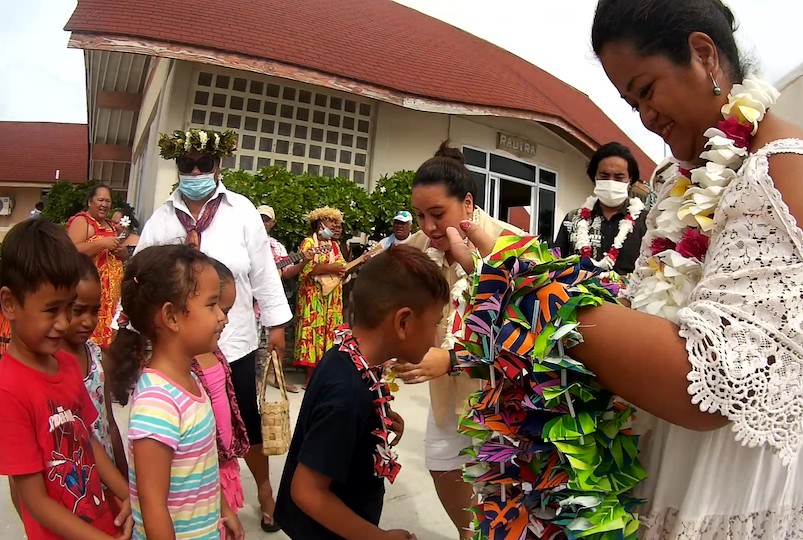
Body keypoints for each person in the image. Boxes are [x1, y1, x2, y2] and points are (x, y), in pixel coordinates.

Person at [402, 1, 803, 538]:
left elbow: (715, 385)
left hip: (728, 483)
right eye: (629, 101)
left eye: (646, 89)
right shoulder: (678, 181)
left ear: (703, 55)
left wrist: (527, 290)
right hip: (662, 457)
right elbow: (638, 310)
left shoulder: (778, 172)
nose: (644, 116)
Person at [136, 128, 293, 532]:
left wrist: (276, 323)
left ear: (218, 165)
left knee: (245, 424)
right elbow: (138, 278)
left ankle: (263, 489)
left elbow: (263, 271)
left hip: (234, 338)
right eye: (186, 164)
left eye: (203, 164)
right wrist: (134, 333)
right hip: (179, 351)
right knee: (193, 428)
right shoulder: (161, 219)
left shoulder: (241, 212)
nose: (194, 171)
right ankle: (201, 496)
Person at [275, 245, 449, 540]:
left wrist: (378, 419)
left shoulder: (349, 356)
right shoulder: (347, 395)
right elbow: (307, 491)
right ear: (403, 322)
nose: (436, 336)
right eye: (435, 323)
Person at [396, 141, 524, 539]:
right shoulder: (415, 250)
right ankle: (468, 533)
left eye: (438, 214)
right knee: (441, 462)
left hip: (500, 391)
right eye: (420, 216)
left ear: (468, 204)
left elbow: (527, 327)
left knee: (503, 476)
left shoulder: (511, 243)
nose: (429, 227)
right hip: (443, 389)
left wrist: (474, 265)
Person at [0, 219, 132, 539]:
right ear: (9, 304)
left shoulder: (66, 365)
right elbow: (36, 502)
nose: (63, 323)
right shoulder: (8, 390)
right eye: (51, 310)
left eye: (68, 307)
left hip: (101, 517)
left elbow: (87, 440)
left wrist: (128, 494)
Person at [108, 244, 244, 540]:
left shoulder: (192, 380)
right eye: (211, 305)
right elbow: (153, 505)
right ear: (171, 317)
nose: (223, 317)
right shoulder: (158, 402)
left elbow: (202, 467)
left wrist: (224, 509)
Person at [190, 258, 250, 515]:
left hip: (224, 463)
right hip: (200, 477)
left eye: (226, 311)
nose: (223, 319)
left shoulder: (214, 352)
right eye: (217, 308)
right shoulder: (183, 370)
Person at [61, 253, 127, 475]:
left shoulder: (99, 359)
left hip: (106, 480)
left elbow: (109, 421)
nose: (88, 321)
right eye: (78, 311)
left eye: (95, 311)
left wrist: (124, 480)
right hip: (69, 483)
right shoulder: (49, 364)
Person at [552, 142, 648, 275]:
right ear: (594, 177)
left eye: (619, 177)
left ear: (630, 180)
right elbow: (555, 264)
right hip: (578, 294)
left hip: (630, 295)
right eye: (604, 176)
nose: (611, 181)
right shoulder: (572, 219)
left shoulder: (646, 222)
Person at [66, 184, 128, 348]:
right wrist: (102, 243)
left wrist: (121, 251)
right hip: (90, 290)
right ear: (89, 201)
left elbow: (124, 257)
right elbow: (70, 251)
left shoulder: (112, 225)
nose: (104, 204)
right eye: (100, 199)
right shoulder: (82, 221)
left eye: (108, 201)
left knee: (110, 338)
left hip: (112, 294)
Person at [294, 206, 346, 389]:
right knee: (312, 333)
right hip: (312, 297)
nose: (334, 225)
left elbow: (341, 267)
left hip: (332, 298)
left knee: (330, 335)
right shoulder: (309, 243)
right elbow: (306, 269)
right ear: (320, 223)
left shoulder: (334, 245)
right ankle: (310, 378)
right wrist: (331, 269)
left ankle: (326, 376)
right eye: (331, 221)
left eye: (336, 222)